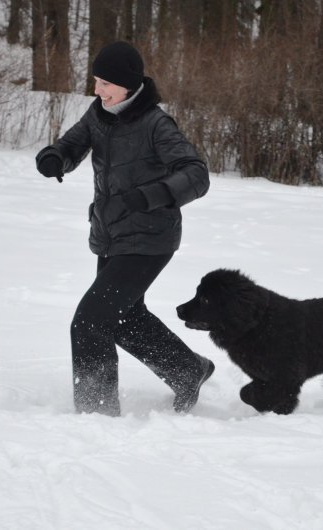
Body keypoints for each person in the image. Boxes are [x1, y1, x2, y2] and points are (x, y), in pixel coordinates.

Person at [35, 41, 214, 416]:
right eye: (96, 81)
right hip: (112, 235)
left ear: (129, 85)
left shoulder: (155, 124)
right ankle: (187, 370)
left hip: (150, 238)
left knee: (90, 322)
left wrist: (151, 195)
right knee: (125, 318)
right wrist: (56, 157)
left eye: (106, 83)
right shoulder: (99, 113)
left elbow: (196, 175)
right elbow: (74, 143)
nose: (98, 90)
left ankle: (96, 410)